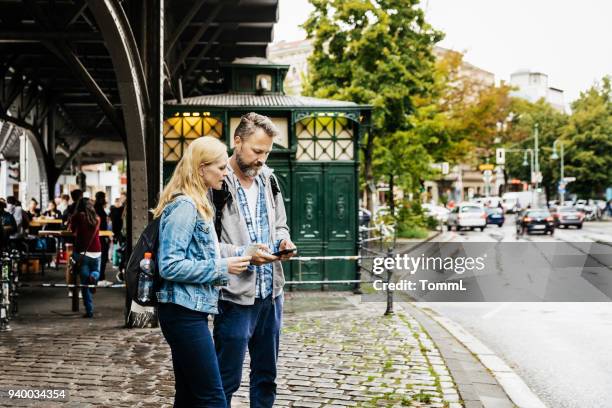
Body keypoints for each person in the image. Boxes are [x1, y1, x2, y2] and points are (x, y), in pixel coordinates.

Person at [153, 136, 252, 407]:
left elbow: (204, 250)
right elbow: (169, 264)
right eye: (220, 167)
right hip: (182, 314)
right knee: (212, 397)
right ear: (200, 169)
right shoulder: (186, 206)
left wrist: (245, 253)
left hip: (187, 310)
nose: (226, 172)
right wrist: (222, 267)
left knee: (188, 396)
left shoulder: (197, 202)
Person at [213, 112, 297, 407]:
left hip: (271, 296)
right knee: (226, 379)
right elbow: (207, 247)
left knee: (266, 377)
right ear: (237, 141)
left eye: (267, 152)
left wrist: (283, 242)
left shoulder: (269, 179)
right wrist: (244, 255)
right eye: (257, 150)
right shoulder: (217, 185)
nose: (262, 158)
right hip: (233, 298)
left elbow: (280, 226)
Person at [68, 198, 101, 318]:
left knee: (84, 284)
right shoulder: (97, 218)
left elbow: (72, 231)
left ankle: (89, 311)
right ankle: (94, 277)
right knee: (96, 271)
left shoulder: (77, 216)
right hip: (97, 251)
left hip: (82, 252)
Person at [93, 191, 111, 286]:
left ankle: (98, 277)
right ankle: (100, 278)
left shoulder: (95, 208)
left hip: (97, 236)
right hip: (101, 236)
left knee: (98, 257)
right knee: (103, 257)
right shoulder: (99, 208)